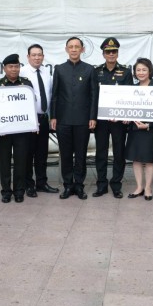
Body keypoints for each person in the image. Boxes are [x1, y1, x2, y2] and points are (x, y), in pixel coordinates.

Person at [50, 36, 98, 200]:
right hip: (63, 120)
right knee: (65, 154)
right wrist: (53, 116)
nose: (74, 49)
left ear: (82, 49)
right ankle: (68, 185)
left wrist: (92, 117)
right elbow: (55, 95)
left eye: (77, 46)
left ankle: (79, 185)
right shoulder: (59, 69)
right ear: (66, 49)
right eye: (71, 47)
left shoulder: (89, 70)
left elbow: (94, 95)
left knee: (80, 155)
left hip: (82, 120)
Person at [93, 37, 133, 199]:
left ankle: (116, 185)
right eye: (108, 51)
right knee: (101, 153)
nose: (111, 54)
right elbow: (93, 96)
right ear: (103, 54)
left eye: (114, 51)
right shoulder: (96, 72)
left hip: (119, 121)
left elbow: (129, 95)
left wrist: (127, 115)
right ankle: (101, 185)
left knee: (119, 153)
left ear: (117, 53)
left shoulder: (126, 72)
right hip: (101, 120)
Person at [0, 54, 34, 203]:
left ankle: (19, 191)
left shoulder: (26, 84)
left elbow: (31, 106)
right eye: (11, 67)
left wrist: (33, 124)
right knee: (4, 162)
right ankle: (6, 191)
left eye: (16, 66)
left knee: (20, 162)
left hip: (22, 131)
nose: (14, 69)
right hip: (3, 131)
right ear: (4, 68)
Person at [21, 44, 59, 196]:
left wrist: (51, 116)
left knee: (42, 154)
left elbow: (50, 96)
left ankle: (42, 183)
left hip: (43, 119)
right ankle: (29, 185)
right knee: (28, 154)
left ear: (43, 57)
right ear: (28, 57)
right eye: (34, 55)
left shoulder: (46, 72)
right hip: (28, 120)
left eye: (39, 55)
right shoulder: (22, 72)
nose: (37, 58)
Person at [125, 58, 153, 200]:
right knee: (136, 158)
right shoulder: (132, 89)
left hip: (149, 130)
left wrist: (149, 125)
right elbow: (127, 108)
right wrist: (126, 117)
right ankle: (139, 187)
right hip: (134, 130)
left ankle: (148, 188)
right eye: (138, 70)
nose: (141, 72)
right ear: (134, 72)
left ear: (150, 71)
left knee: (149, 159)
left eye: (144, 70)